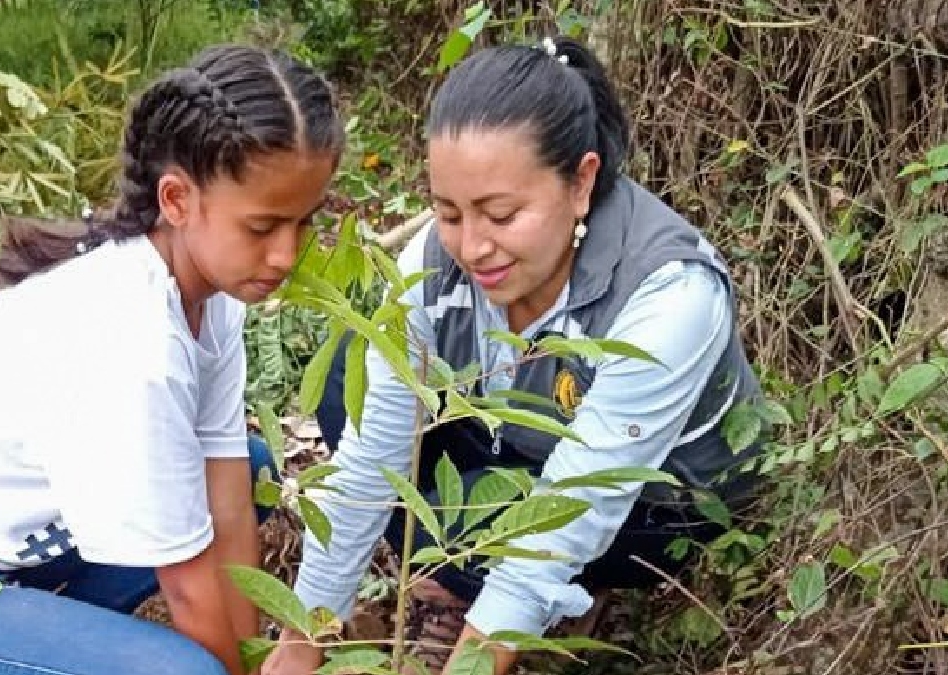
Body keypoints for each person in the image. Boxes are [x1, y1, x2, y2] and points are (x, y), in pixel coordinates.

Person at [0, 44, 344, 675]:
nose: (286, 255)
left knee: (250, 470)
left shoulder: (211, 292)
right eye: (263, 227)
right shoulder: (131, 340)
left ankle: (33, 640)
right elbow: (188, 588)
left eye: (303, 223)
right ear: (177, 199)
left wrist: (253, 661)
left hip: (10, 554)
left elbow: (226, 490)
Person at [263, 36, 765, 675]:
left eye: (500, 214)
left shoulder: (669, 294)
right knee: (350, 388)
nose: (472, 248)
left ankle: (527, 606)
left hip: (658, 496)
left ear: (581, 183)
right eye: (448, 213)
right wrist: (300, 642)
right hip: (523, 437)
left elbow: (570, 510)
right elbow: (369, 467)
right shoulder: (436, 261)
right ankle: (463, 586)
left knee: (475, 514)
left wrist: (475, 660)